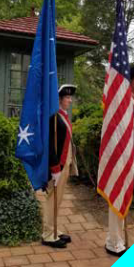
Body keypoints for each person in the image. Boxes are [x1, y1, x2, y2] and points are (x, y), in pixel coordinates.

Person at [106, 65, 134, 257]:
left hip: (130, 160)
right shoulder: (125, 104)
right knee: (118, 200)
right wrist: (126, 158)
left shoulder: (132, 102)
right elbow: (121, 135)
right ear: (129, 81)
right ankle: (115, 243)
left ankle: (116, 240)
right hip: (123, 161)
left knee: (122, 201)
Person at [39, 84, 78, 248]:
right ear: (59, 99)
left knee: (58, 199)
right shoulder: (53, 117)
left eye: (70, 97)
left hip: (66, 163)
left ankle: (54, 228)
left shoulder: (63, 115)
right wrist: (54, 167)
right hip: (57, 166)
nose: (70, 100)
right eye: (67, 97)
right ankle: (48, 234)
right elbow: (50, 145)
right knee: (52, 199)